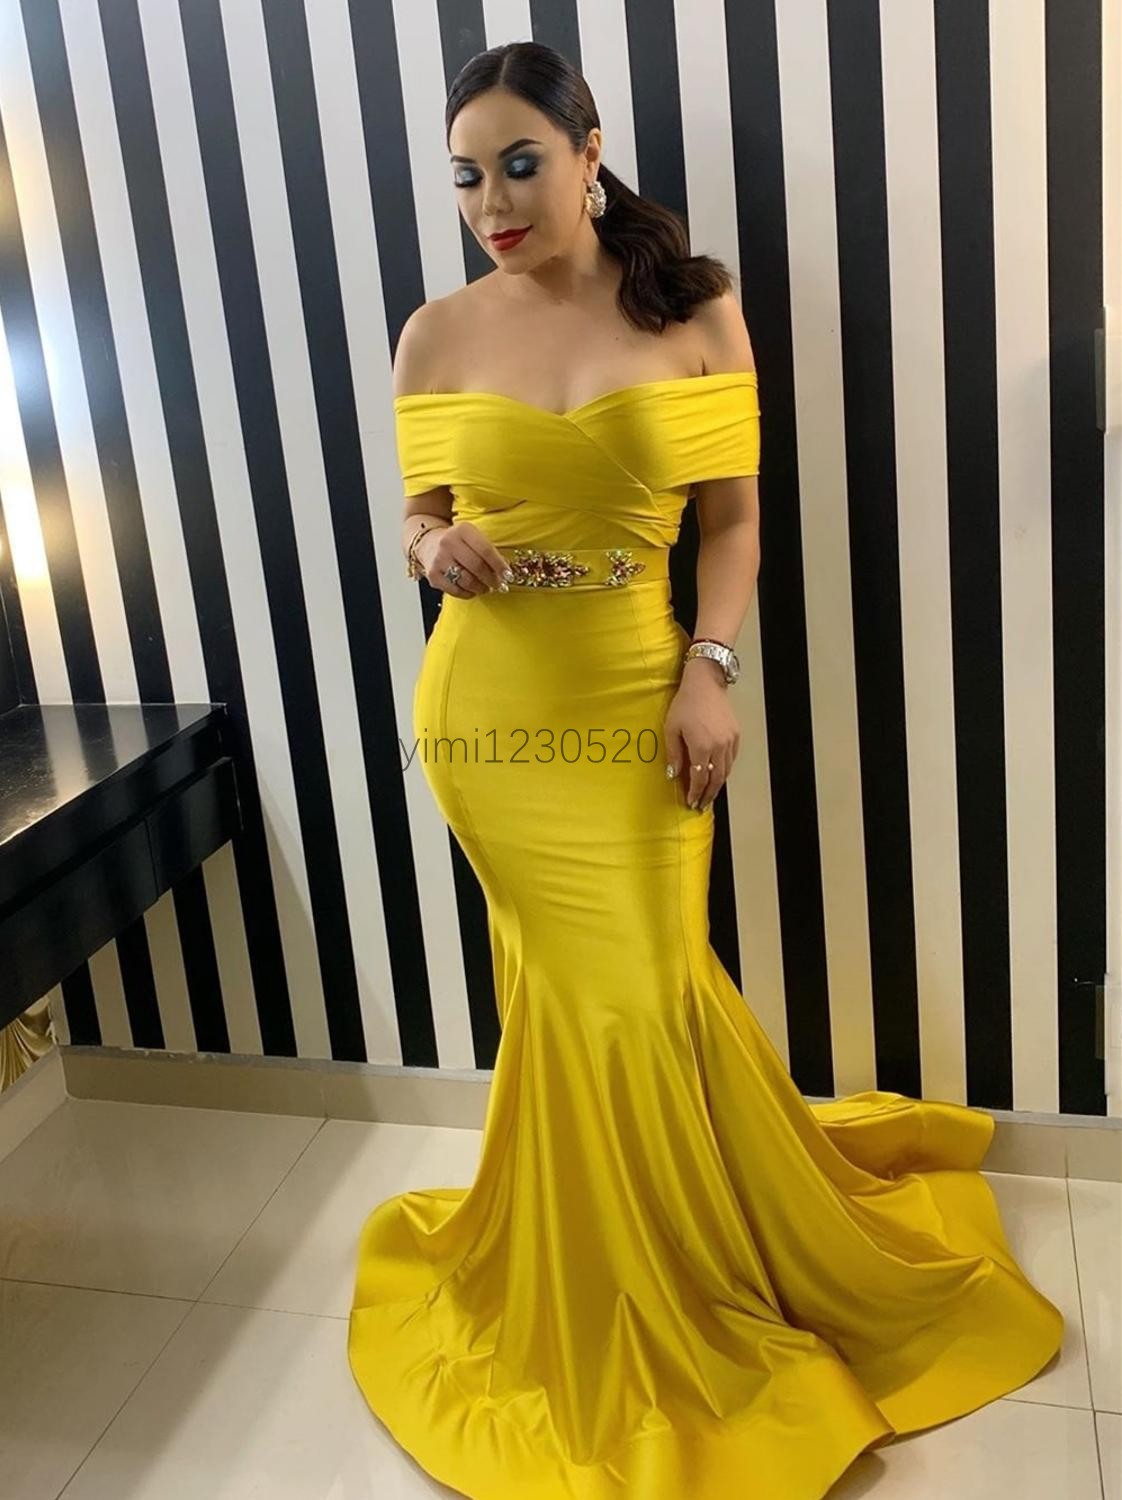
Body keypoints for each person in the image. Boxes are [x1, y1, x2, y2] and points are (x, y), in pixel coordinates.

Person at [347, 39, 1063, 1500]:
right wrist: (433, 545)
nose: (492, 203)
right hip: (487, 716)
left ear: (590, 150)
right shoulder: (435, 333)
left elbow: (732, 523)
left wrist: (708, 668)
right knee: (578, 1000)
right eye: (466, 178)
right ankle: (611, 1281)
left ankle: (681, 1272)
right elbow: (417, 514)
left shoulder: (694, 307)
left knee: (640, 991)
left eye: (520, 164)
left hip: (636, 694)